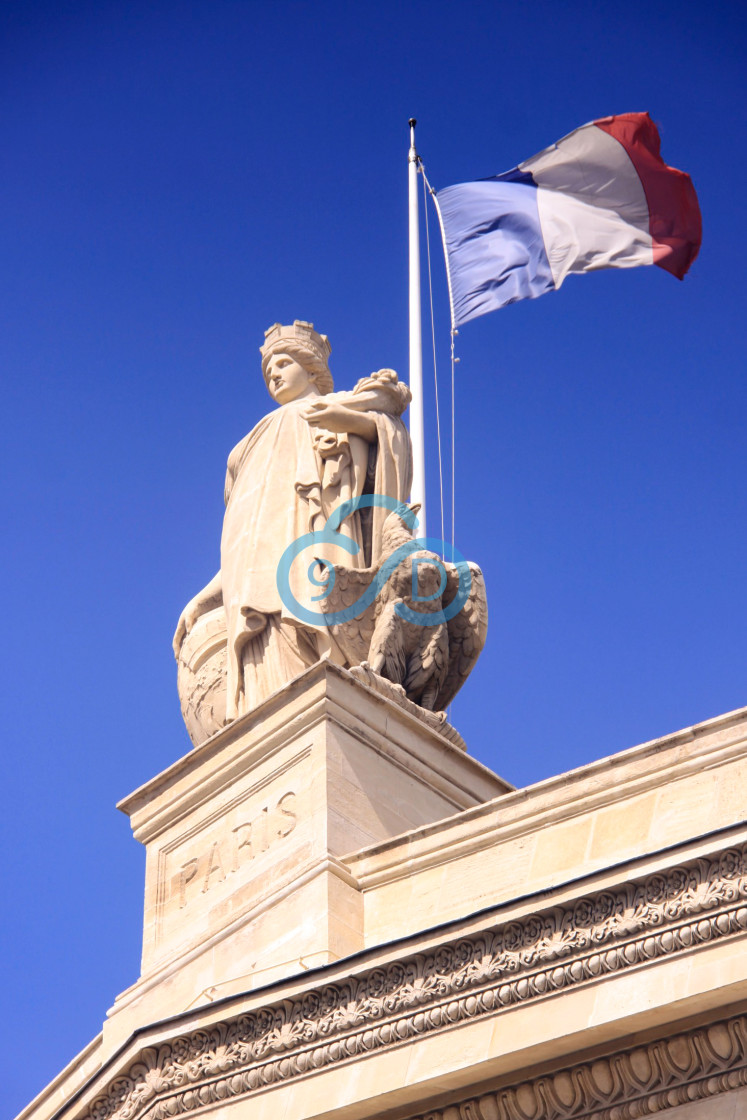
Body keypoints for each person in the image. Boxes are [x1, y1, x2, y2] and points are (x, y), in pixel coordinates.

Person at [173, 320, 412, 719]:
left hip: (311, 558)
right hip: (252, 585)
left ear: (312, 368)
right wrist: (205, 597)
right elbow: (243, 543)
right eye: (269, 371)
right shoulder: (247, 445)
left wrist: (345, 418)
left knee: (307, 642)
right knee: (261, 670)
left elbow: (386, 436)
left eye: (283, 364)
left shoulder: (327, 410)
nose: (275, 375)